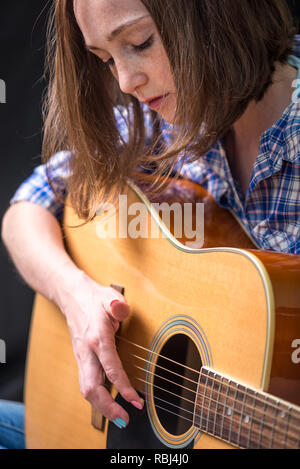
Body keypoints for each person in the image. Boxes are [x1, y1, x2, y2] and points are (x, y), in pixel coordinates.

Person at [1, 0, 300, 449]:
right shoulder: (167, 124)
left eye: (140, 42)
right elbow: (27, 206)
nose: (125, 80)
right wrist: (76, 297)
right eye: (105, 59)